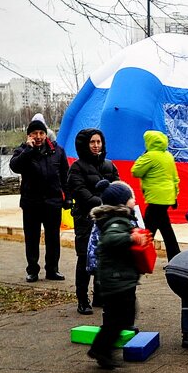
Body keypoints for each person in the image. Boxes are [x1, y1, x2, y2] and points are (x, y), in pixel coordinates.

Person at [88, 181, 149, 370]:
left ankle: (102, 349)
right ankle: (100, 350)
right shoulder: (116, 221)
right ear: (121, 203)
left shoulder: (121, 219)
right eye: (130, 197)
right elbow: (109, 240)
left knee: (124, 315)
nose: (134, 199)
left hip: (120, 278)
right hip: (115, 279)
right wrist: (131, 237)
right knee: (119, 317)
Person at [66, 128, 120, 314]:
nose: (96, 146)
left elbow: (118, 188)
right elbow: (81, 193)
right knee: (84, 258)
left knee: (104, 257)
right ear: (84, 145)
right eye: (92, 142)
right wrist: (105, 203)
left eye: (99, 142)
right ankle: (82, 299)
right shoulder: (77, 168)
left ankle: (100, 295)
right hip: (86, 219)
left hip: (106, 220)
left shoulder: (109, 165)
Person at [9, 119, 69, 282]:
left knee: (53, 238)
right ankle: (32, 270)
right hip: (31, 202)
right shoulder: (23, 150)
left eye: (41, 133)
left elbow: (65, 176)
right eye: (34, 133)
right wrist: (28, 149)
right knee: (32, 238)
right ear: (29, 135)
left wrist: (67, 197)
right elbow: (15, 167)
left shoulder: (57, 151)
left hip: (52, 202)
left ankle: (52, 269)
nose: (38, 136)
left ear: (46, 134)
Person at [131, 129, 181, 259]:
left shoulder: (150, 156)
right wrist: (175, 196)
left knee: (148, 228)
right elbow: (175, 178)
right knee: (165, 228)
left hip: (155, 197)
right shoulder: (168, 156)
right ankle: (175, 257)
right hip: (167, 197)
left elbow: (135, 171)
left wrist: (144, 155)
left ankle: (140, 255)